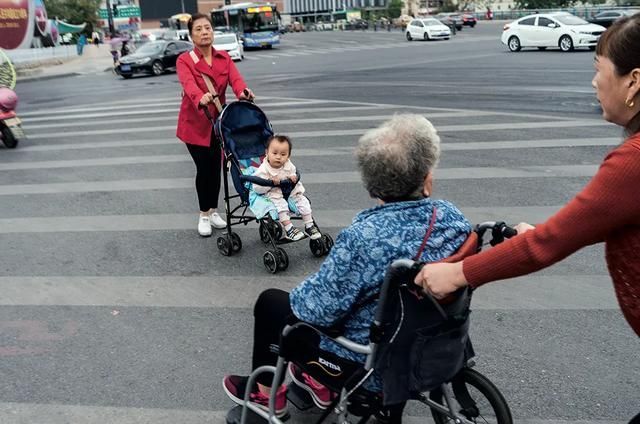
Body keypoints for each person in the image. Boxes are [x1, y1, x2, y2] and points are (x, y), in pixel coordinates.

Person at [415, 15, 640, 423]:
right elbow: (602, 219)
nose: (593, 82)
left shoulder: (634, 161)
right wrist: (549, 234)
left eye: (598, 70)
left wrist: (459, 273)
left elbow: (545, 246)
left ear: (633, 80)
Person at [222, 114, 472, 417]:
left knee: (272, 304)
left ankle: (266, 395)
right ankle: (313, 379)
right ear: (427, 178)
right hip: (432, 339)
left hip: (371, 359)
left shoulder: (363, 237)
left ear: (372, 188)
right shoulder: (452, 218)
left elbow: (314, 309)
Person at [176, 13, 255, 237]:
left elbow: (236, 80)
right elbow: (188, 83)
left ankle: (213, 211)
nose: (204, 32)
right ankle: (203, 213)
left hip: (218, 122)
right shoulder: (184, 60)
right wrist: (199, 96)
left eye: (207, 28)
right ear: (191, 35)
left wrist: (243, 92)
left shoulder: (223, 58)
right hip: (194, 124)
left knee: (219, 166)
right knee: (205, 169)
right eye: (199, 29)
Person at [253, 135, 321, 241]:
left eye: (283, 154)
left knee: (304, 202)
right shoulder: (263, 170)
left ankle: (309, 226)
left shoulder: (288, 164)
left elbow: (293, 171)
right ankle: (289, 229)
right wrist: (269, 182)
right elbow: (257, 188)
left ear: (288, 156)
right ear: (267, 153)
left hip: (291, 193)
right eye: (274, 153)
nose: (278, 157)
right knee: (281, 207)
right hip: (275, 194)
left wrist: (293, 176)